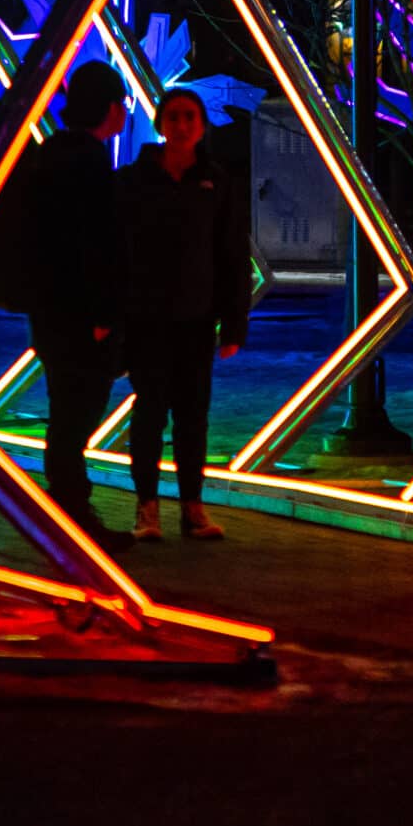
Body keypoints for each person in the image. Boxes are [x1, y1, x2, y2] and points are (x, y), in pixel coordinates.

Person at [116, 88, 250, 542]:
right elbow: (116, 253)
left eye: (190, 116)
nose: (182, 124)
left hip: (196, 320)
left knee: (193, 415)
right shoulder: (134, 181)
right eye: (173, 116)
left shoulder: (216, 180)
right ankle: (147, 507)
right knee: (150, 412)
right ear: (159, 123)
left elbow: (231, 253)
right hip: (145, 318)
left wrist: (233, 324)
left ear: (202, 125)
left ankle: (192, 506)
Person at [22, 61, 135, 551]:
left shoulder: (51, 156)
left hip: (50, 313)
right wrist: (102, 317)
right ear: (110, 108)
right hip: (79, 319)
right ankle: (70, 520)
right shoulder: (86, 163)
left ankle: (67, 514)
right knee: (74, 417)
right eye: (123, 105)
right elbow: (93, 248)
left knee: (64, 414)